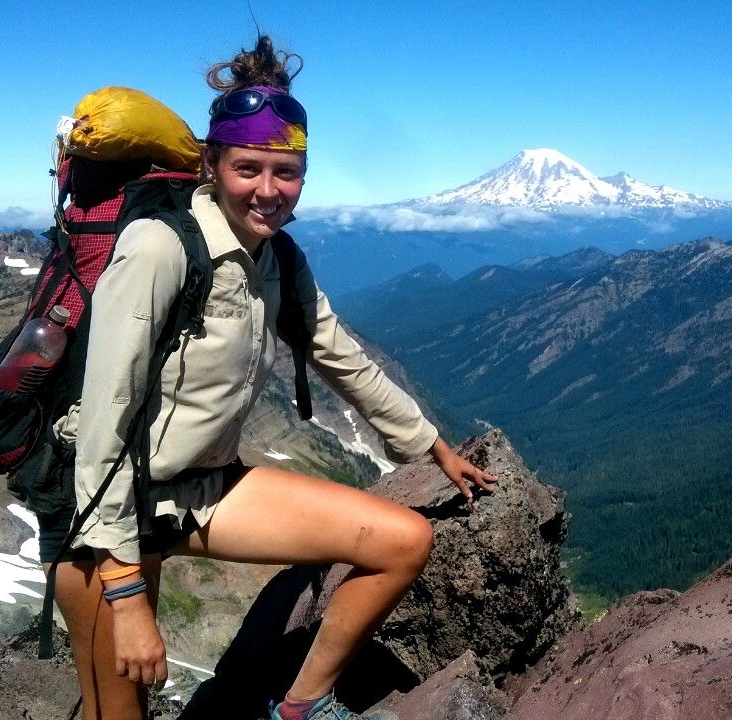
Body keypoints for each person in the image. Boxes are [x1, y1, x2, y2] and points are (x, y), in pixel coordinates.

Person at [48, 36, 498, 720]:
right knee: (119, 713)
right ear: (212, 164)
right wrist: (126, 591)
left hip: (200, 492)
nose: (268, 190)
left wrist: (429, 446)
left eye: (285, 172)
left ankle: (300, 707)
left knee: (404, 542)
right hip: (104, 519)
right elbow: (105, 422)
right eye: (248, 168)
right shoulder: (160, 248)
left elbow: (337, 352)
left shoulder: (277, 257)